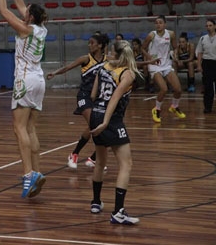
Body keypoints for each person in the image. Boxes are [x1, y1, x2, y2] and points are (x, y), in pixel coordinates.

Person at [0, 0, 47, 198]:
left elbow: (5, 11)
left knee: (18, 127)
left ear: (30, 17)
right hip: (39, 80)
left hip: (24, 80)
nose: (23, 10)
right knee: (31, 128)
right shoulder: (41, 28)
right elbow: (23, 7)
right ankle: (37, 171)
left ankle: (27, 174)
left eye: (27, 11)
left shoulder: (24, 29)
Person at [89, 40, 140, 225]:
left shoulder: (103, 67)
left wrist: (99, 117)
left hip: (95, 113)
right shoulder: (128, 74)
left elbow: (94, 94)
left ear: (117, 54)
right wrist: (105, 122)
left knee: (100, 161)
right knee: (126, 164)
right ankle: (118, 212)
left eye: (111, 50)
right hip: (111, 119)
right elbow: (115, 98)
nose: (109, 52)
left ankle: (95, 202)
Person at [46, 33, 109, 170]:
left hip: (99, 98)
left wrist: (148, 63)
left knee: (98, 127)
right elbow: (68, 67)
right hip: (84, 96)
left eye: (92, 43)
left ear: (100, 46)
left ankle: (93, 158)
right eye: (89, 42)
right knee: (95, 125)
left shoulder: (107, 60)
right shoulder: (85, 59)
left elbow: (128, 63)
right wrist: (55, 73)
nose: (89, 45)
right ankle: (75, 155)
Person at [142, 15, 185, 123]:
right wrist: (149, 58)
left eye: (160, 22)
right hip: (154, 65)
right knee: (164, 89)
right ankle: (156, 109)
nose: (158, 24)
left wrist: (175, 57)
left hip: (166, 64)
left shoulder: (170, 34)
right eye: (156, 23)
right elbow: (143, 48)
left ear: (165, 24)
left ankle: (174, 107)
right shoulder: (151, 35)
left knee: (178, 89)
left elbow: (175, 48)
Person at [196, 18, 216, 114]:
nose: (208, 27)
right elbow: (199, 52)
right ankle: (207, 107)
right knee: (208, 87)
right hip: (207, 63)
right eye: (207, 26)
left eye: (210, 25)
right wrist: (199, 65)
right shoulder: (203, 38)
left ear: (215, 26)